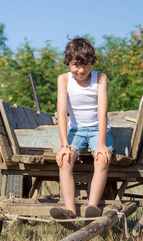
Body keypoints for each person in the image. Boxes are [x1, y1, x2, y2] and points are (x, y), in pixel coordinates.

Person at [50, 37, 114, 230]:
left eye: (85, 65)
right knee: (65, 160)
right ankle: (70, 212)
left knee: (102, 159)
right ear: (69, 63)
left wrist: (101, 144)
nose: (81, 70)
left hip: (98, 129)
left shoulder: (100, 78)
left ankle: (92, 208)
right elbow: (62, 113)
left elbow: (102, 112)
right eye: (76, 65)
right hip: (76, 130)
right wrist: (64, 146)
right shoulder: (64, 79)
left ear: (91, 63)